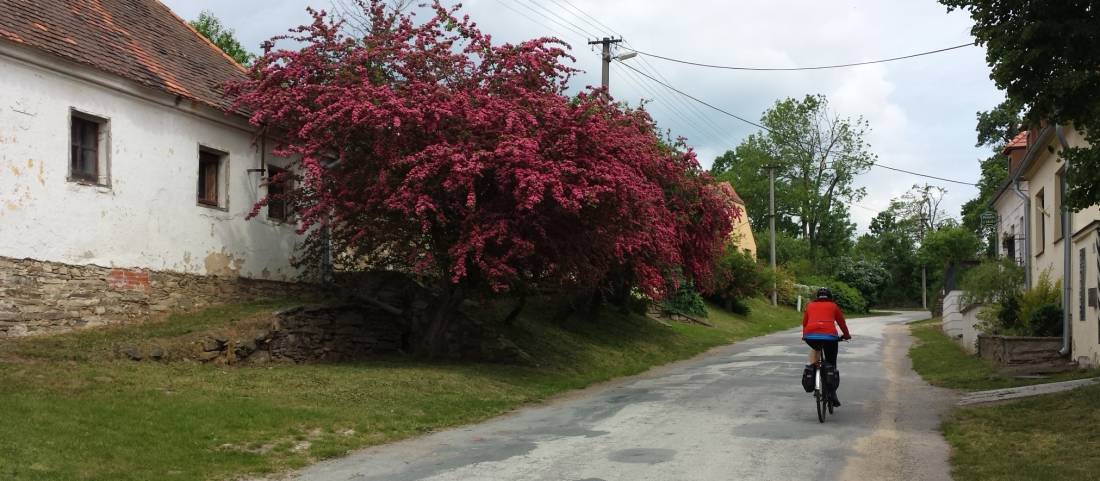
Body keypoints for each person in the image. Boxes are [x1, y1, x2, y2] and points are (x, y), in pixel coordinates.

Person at [802, 287, 850, 407]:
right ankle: (832, 394)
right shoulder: (833, 306)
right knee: (831, 362)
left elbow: (805, 322)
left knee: (816, 348)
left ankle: (814, 375)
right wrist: (846, 335)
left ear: (817, 297)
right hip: (829, 337)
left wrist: (805, 335)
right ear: (830, 297)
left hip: (810, 335)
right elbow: (841, 322)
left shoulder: (810, 305)